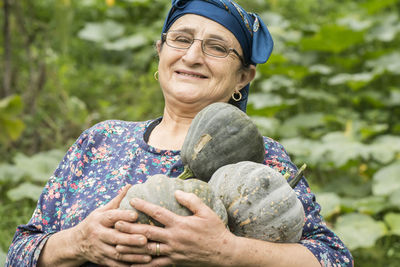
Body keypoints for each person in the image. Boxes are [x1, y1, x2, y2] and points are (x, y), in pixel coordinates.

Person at [6, 0, 353, 266]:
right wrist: (78, 242)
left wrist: (227, 251)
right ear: (160, 53)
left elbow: (333, 258)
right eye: (181, 39)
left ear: (243, 77)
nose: (192, 56)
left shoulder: (260, 157)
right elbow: (21, 251)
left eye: (216, 47)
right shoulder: (100, 140)